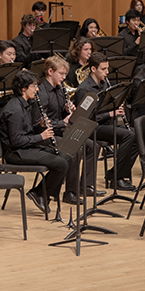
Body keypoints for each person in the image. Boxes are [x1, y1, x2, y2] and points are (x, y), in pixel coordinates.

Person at [0, 70, 70, 214]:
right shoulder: (15, 110)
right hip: (15, 153)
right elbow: (17, 140)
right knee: (61, 163)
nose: (37, 89)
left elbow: (27, 130)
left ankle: (44, 194)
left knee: (66, 156)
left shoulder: (25, 103)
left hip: (25, 147)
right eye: (34, 86)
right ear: (23, 88)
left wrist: (40, 126)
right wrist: (41, 136)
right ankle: (39, 194)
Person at [37, 56, 105, 204]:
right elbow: (40, 123)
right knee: (75, 149)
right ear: (50, 71)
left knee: (93, 146)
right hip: (46, 136)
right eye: (61, 73)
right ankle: (70, 192)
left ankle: (85, 185)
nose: (64, 77)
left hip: (61, 132)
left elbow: (60, 113)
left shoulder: (60, 89)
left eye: (65, 74)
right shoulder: (42, 93)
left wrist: (67, 110)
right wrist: (63, 121)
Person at [74, 52, 138, 191]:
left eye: (107, 68)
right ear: (93, 69)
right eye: (103, 69)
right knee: (129, 135)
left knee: (136, 136)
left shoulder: (104, 84)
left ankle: (115, 173)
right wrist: (111, 113)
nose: (107, 72)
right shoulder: (84, 89)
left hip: (105, 126)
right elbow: (84, 118)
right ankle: (117, 178)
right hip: (91, 128)